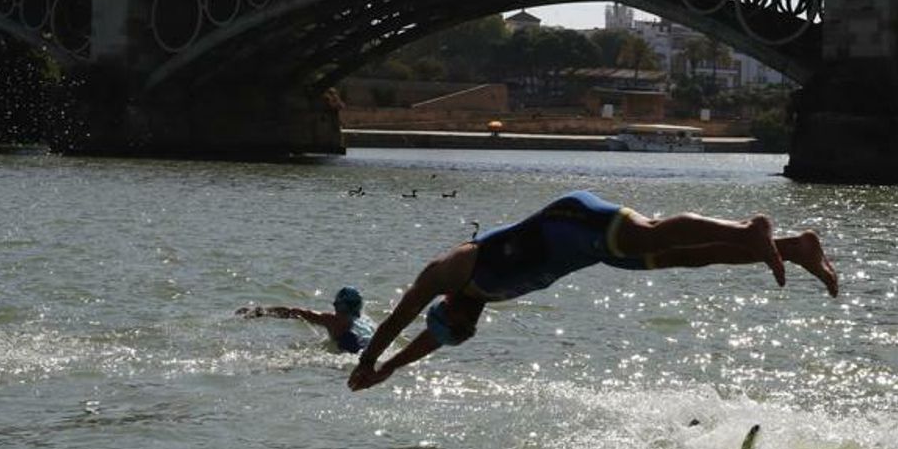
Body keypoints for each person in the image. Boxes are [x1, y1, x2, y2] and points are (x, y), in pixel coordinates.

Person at [347, 191, 838, 391]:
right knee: (684, 255)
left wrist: (368, 359)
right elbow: (428, 341)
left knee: (652, 234)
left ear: (446, 306)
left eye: (457, 327)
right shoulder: (477, 300)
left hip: (573, 219)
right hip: (591, 251)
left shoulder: (451, 270)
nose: (467, 331)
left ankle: (751, 228)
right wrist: (388, 370)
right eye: (464, 335)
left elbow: (400, 317)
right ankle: (794, 247)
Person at [239, 286, 375, 354]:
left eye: (336, 304)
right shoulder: (366, 320)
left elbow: (295, 312)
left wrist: (261, 311)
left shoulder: (332, 320)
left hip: (352, 349)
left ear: (338, 305)